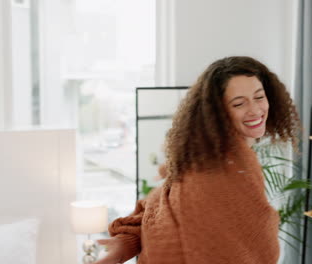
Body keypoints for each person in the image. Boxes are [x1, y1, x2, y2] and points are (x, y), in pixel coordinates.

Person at [94, 56, 300, 264]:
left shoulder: (214, 158)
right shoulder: (218, 169)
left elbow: (165, 213)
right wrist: (125, 243)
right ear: (217, 113)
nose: (255, 110)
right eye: (239, 103)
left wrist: (125, 244)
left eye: (259, 97)